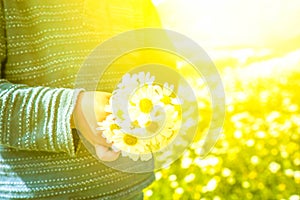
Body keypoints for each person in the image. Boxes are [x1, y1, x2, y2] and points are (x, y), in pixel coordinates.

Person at [0, 0, 166, 199]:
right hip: (41, 192)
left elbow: (159, 64)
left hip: (127, 187)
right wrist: (73, 111)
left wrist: (154, 102)